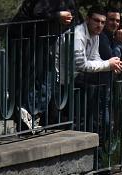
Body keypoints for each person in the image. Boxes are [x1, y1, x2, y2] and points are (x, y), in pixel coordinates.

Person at [9, 0, 79, 130]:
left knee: (46, 80)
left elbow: (72, 14)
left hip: (45, 39)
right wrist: (58, 15)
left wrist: (65, 18)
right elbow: (38, 12)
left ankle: (32, 114)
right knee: (32, 79)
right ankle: (26, 112)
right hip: (27, 39)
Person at [73, 8, 122, 133]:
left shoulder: (95, 35)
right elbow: (82, 64)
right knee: (90, 122)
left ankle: (99, 148)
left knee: (96, 122)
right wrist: (109, 64)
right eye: (96, 21)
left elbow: (95, 57)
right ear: (88, 19)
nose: (99, 25)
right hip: (72, 81)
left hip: (92, 83)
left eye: (102, 22)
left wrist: (114, 64)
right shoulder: (80, 35)